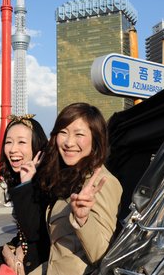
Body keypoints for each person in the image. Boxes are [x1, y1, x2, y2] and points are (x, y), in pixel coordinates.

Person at [32, 103, 123, 275]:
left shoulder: (104, 182)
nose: (68, 142)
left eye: (79, 134)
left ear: (95, 140)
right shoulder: (69, 177)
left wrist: (83, 220)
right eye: (63, 132)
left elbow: (103, 255)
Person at [0, 114, 49, 275]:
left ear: (37, 146)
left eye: (21, 142)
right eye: (8, 142)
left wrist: (26, 184)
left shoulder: (50, 184)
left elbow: (35, 235)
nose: (13, 149)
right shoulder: (21, 180)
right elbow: (23, 238)